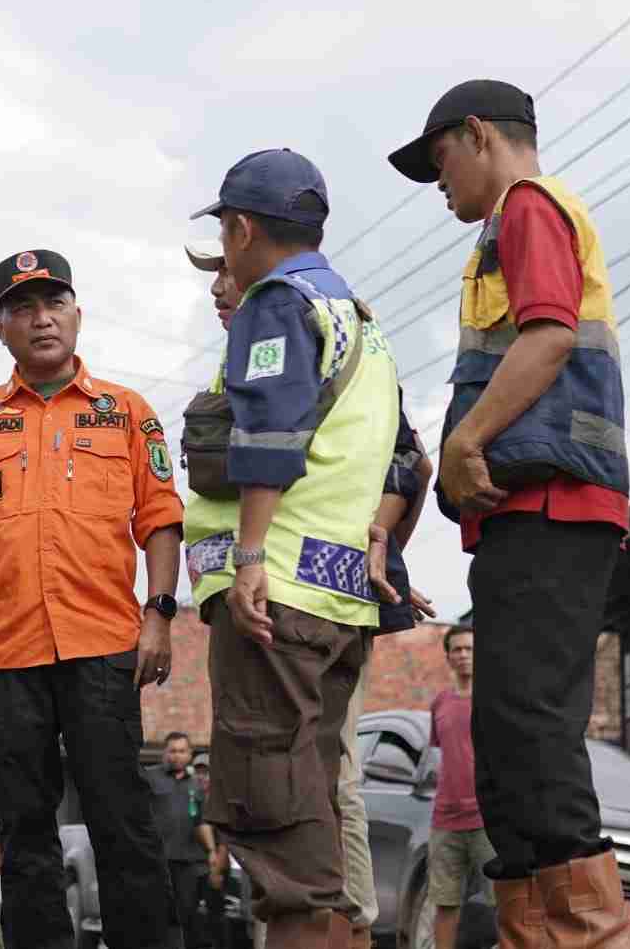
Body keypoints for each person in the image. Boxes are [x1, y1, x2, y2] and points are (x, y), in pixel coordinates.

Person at [389, 80, 630, 949]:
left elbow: (549, 334)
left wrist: (465, 445)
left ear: (478, 134)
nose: (438, 182)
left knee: (533, 739)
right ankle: (537, 934)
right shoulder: (507, 225)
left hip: (554, 507)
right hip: (523, 518)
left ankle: (590, 937)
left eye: (440, 160)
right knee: (507, 753)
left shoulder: (529, 206)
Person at [0, 249, 184, 949]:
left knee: (121, 818)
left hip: (103, 648)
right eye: (22, 309)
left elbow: (159, 516)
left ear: (77, 315)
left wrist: (158, 615)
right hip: (2, 657)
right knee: (24, 829)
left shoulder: (126, 412)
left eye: (53, 304)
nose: (40, 319)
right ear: (1, 328)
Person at [183, 241, 434, 949]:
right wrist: (381, 540)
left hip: (284, 601)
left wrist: (256, 556)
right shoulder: (344, 334)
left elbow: (397, 460)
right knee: (315, 793)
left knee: (293, 803)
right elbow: (408, 458)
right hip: (321, 606)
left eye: (228, 269)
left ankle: (337, 934)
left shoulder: (290, 324)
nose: (219, 288)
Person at [427, 626, 495, 949]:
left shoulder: (493, 700)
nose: (464, 655)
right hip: (445, 820)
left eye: (469, 649)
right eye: (457, 650)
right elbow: (443, 753)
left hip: (487, 818)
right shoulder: (439, 703)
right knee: (444, 902)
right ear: (448, 657)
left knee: (504, 901)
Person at [145, 733, 217, 949]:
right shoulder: (150, 777)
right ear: (165, 753)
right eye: (172, 750)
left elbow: (201, 820)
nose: (177, 755)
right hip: (158, 859)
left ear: (189, 754)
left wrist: (212, 850)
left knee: (185, 912)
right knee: (157, 913)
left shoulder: (196, 784)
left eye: (182, 751)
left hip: (188, 861)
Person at [191, 755, 230, 949]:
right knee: (189, 912)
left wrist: (217, 871)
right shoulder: (192, 798)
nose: (202, 777)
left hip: (215, 865)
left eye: (206, 772)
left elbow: (224, 841)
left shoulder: (220, 802)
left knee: (216, 913)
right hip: (192, 865)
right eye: (198, 772)